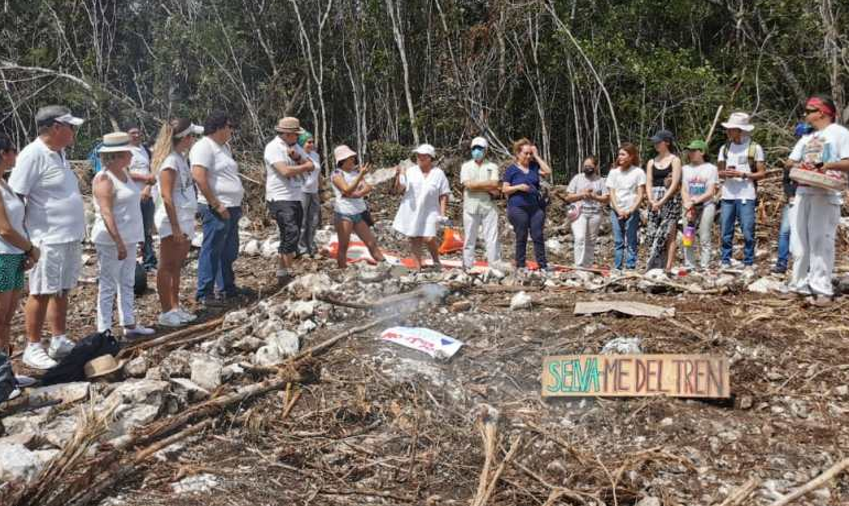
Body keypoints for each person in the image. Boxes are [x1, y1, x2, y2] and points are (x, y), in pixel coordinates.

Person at [9, 105, 85, 370]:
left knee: (62, 288)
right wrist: (24, 241)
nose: (74, 132)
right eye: (70, 127)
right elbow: (16, 196)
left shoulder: (60, 153)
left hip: (68, 236)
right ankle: (32, 346)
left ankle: (58, 338)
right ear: (56, 127)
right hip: (46, 237)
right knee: (40, 291)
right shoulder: (33, 155)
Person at [90, 132, 154, 337]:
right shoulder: (104, 179)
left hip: (129, 236)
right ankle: (104, 329)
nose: (131, 155)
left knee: (127, 281)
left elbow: (135, 181)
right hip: (111, 240)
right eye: (127, 152)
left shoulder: (124, 173)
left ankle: (129, 323)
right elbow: (106, 212)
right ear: (117, 155)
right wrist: (118, 242)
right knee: (108, 283)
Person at [787, 95, 849, 304]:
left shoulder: (839, 133)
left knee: (820, 240)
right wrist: (798, 167)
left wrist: (828, 166)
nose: (805, 115)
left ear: (821, 112)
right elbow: (791, 162)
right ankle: (799, 284)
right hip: (803, 191)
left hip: (825, 192)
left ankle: (821, 288)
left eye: (808, 110)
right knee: (799, 243)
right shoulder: (807, 138)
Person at [151, 119, 203, 327]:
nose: (193, 140)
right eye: (191, 136)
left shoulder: (180, 158)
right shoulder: (170, 162)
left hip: (185, 216)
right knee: (167, 265)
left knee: (177, 265)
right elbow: (166, 195)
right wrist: (174, 227)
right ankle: (166, 310)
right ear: (185, 138)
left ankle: (175, 306)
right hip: (173, 219)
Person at [191, 111, 245, 307]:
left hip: (231, 205)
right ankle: (205, 292)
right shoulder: (203, 147)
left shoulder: (225, 147)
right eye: (229, 126)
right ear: (219, 127)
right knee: (212, 249)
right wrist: (216, 203)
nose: (232, 131)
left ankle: (226, 287)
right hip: (215, 207)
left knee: (229, 250)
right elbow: (199, 176)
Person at [0, 134, 40, 395]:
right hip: (3, 255)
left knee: (6, 319)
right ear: (4, 153)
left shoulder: (5, 184)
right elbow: (4, 228)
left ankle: (7, 375)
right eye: (13, 150)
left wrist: (24, 250)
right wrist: (30, 248)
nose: (16, 155)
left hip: (13, 256)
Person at [264, 117, 315, 283]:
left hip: (295, 196)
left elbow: (311, 165)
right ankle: (284, 273)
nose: (297, 138)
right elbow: (284, 171)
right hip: (279, 197)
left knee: (293, 234)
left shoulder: (294, 147)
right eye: (295, 134)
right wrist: (304, 166)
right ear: (286, 133)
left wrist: (298, 160)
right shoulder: (273, 148)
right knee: (290, 232)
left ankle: (284, 271)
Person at [717, 112, 766, 270]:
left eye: (732, 129)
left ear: (741, 130)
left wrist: (743, 174)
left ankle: (749, 261)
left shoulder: (754, 148)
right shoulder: (724, 148)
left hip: (747, 194)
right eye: (728, 129)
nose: (728, 132)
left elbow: (762, 173)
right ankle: (725, 259)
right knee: (726, 229)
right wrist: (725, 173)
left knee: (747, 229)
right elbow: (719, 172)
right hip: (728, 194)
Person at [392, 144, 451, 269]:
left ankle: (436, 260)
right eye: (418, 155)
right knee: (415, 238)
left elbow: (444, 194)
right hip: (412, 210)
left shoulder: (438, 174)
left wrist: (442, 213)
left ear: (430, 157)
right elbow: (399, 189)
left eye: (423, 155)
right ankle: (417, 267)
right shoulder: (411, 171)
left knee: (429, 238)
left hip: (431, 210)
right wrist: (398, 176)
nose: (420, 157)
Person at [331, 145, 385, 269]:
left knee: (371, 243)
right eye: (350, 158)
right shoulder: (336, 174)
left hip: (358, 212)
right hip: (344, 214)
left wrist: (357, 193)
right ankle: (342, 271)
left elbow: (367, 187)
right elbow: (346, 189)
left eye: (352, 158)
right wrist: (359, 178)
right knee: (344, 246)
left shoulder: (354, 173)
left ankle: (387, 267)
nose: (353, 160)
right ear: (342, 160)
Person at [503, 139, 552, 271]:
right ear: (518, 154)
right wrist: (518, 187)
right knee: (522, 235)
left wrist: (536, 156)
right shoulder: (511, 170)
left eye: (530, 153)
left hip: (535, 207)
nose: (528, 156)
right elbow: (505, 189)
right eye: (526, 153)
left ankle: (542, 265)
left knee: (537, 235)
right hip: (518, 207)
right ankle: (520, 265)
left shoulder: (534, 166)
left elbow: (547, 171)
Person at [773, 122, 810, 274]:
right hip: (794, 199)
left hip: (810, 198)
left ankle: (807, 265)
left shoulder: (819, 159)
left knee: (807, 232)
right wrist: (790, 196)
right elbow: (786, 181)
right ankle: (781, 263)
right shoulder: (793, 159)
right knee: (785, 231)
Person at [460, 137, 501, 270]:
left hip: (488, 206)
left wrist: (475, 185)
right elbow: (468, 185)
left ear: (486, 150)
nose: (477, 151)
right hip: (470, 206)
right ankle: (467, 265)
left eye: (480, 149)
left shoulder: (492, 166)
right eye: (474, 148)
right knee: (469, 238)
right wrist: (487, 186)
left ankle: (494, 265)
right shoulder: (466, 166)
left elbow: (495, 184)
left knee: (491, 238)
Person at [645, 130, 682, 272]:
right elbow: (649, 181)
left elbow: (675, 183)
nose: (655, 145)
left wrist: (663, 200)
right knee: (653, 232)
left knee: (669, 232)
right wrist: (651, 199)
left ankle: (668, 266)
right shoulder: (651, 162)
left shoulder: (675, 160)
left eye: (658, 142)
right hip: (654, 197)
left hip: (670, 199)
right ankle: (655, 263)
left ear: (666, 142)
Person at [563, 157, 609, 268]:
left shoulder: (600, 181)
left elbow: (606, 198)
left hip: (595, 213)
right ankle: (578, 265)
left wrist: (594, 196)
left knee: (591, 241)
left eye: (590, 166)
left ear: (596, 167)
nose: (587, 168)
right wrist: (582, 194)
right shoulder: (577, 178)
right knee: (579, 238)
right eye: (585, 166)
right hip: (579, 213)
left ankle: (587, 265)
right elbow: (568, 197)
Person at [606, 143, 646, 271]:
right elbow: (611, 192)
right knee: (618, 240)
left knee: (631, 239)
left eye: (623, 154)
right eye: (619, 154)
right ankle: (617, 267)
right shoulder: (613, 173)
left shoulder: (638, 172)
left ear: (631, 156)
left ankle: (630, 266)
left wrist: (630, 210)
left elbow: (640, 194)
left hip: (631, 210)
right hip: (616, 210)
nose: (620, 157)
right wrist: (618, 210)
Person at [680, 140, 719, 271]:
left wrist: (695, 201)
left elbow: (710, 191)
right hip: (689, 206)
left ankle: (704, 265)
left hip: (706, 205)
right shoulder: (685, 169)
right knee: (688, 236)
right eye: (689, 151)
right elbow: (684, 189)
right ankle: (689, 264)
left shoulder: (711, 169)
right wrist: (688, 205)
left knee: (705, 235)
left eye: (694, 151)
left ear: (702, 152)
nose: (690, 154)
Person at [125, 122, 158, 271]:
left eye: (138, 132)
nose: (137, 135)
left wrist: (148, 187)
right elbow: (125, 173)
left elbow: (152, 171)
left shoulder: (145, 150)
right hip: (131, 195)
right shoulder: (125, 151)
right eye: (133, 133)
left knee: (147, 230)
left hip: (147, 195)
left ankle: (149, 260)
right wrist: (143, 178)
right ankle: (130, 261)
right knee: (131, 229)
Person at [297, 131, 321, 258]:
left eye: (312, 141)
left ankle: (311, 245)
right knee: (303, 220)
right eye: (308, 142)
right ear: (302, 143)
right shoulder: (298, 156)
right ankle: (301, 248)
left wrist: (321, 189)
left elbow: (318, 174)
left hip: (314, 191)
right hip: (302, 191)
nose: (311, 144)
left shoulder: (315, 156)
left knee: (314, 220)